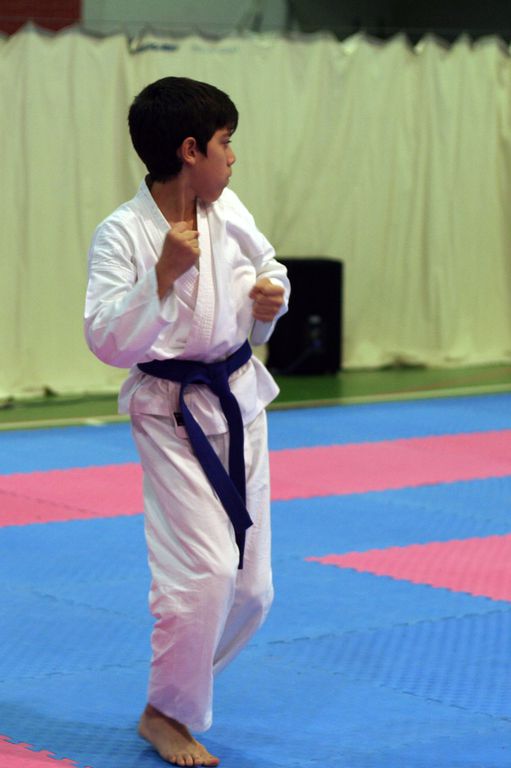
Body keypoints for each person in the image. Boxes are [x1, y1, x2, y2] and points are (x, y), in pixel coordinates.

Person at [84, 76, 290, 767]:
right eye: (226, 142)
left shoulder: (226, 208)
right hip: (172, 416)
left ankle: (171, 698)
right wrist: (161, 277)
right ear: (190, 149)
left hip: (239, 400)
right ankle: (167, 712)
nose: (233, 157)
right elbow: (105, 339)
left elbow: (268, 267)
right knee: (205, 574)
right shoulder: (122, 233)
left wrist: (270, 299)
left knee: (253, 590)